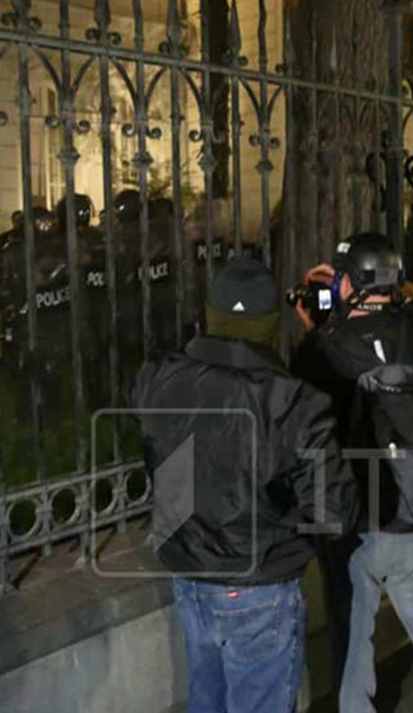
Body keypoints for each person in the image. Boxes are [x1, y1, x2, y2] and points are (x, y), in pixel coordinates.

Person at [135, 257, 358, 713]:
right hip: (259, 584)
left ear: (210, 316)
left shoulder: (158, 380)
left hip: (190, 576)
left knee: (206, 699)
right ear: (269, 326)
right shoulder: (294, 402)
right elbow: (333, 513)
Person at [292, 232, 413, 713]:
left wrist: (313, 325)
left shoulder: (321, 351)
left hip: (357, 521)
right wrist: (384, 281)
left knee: (353, 638)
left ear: (349, 283)